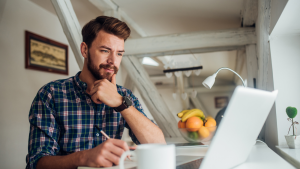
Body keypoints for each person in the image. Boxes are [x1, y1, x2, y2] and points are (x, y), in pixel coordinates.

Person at [26, 16, 166, 169]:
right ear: (85, 50)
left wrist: (120, 103)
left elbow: (158, 144)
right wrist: (84, 157)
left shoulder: (125, 96)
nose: (113, 60)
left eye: (119, 53)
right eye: (105, 51)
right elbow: (37, 163)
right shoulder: (51, 94)